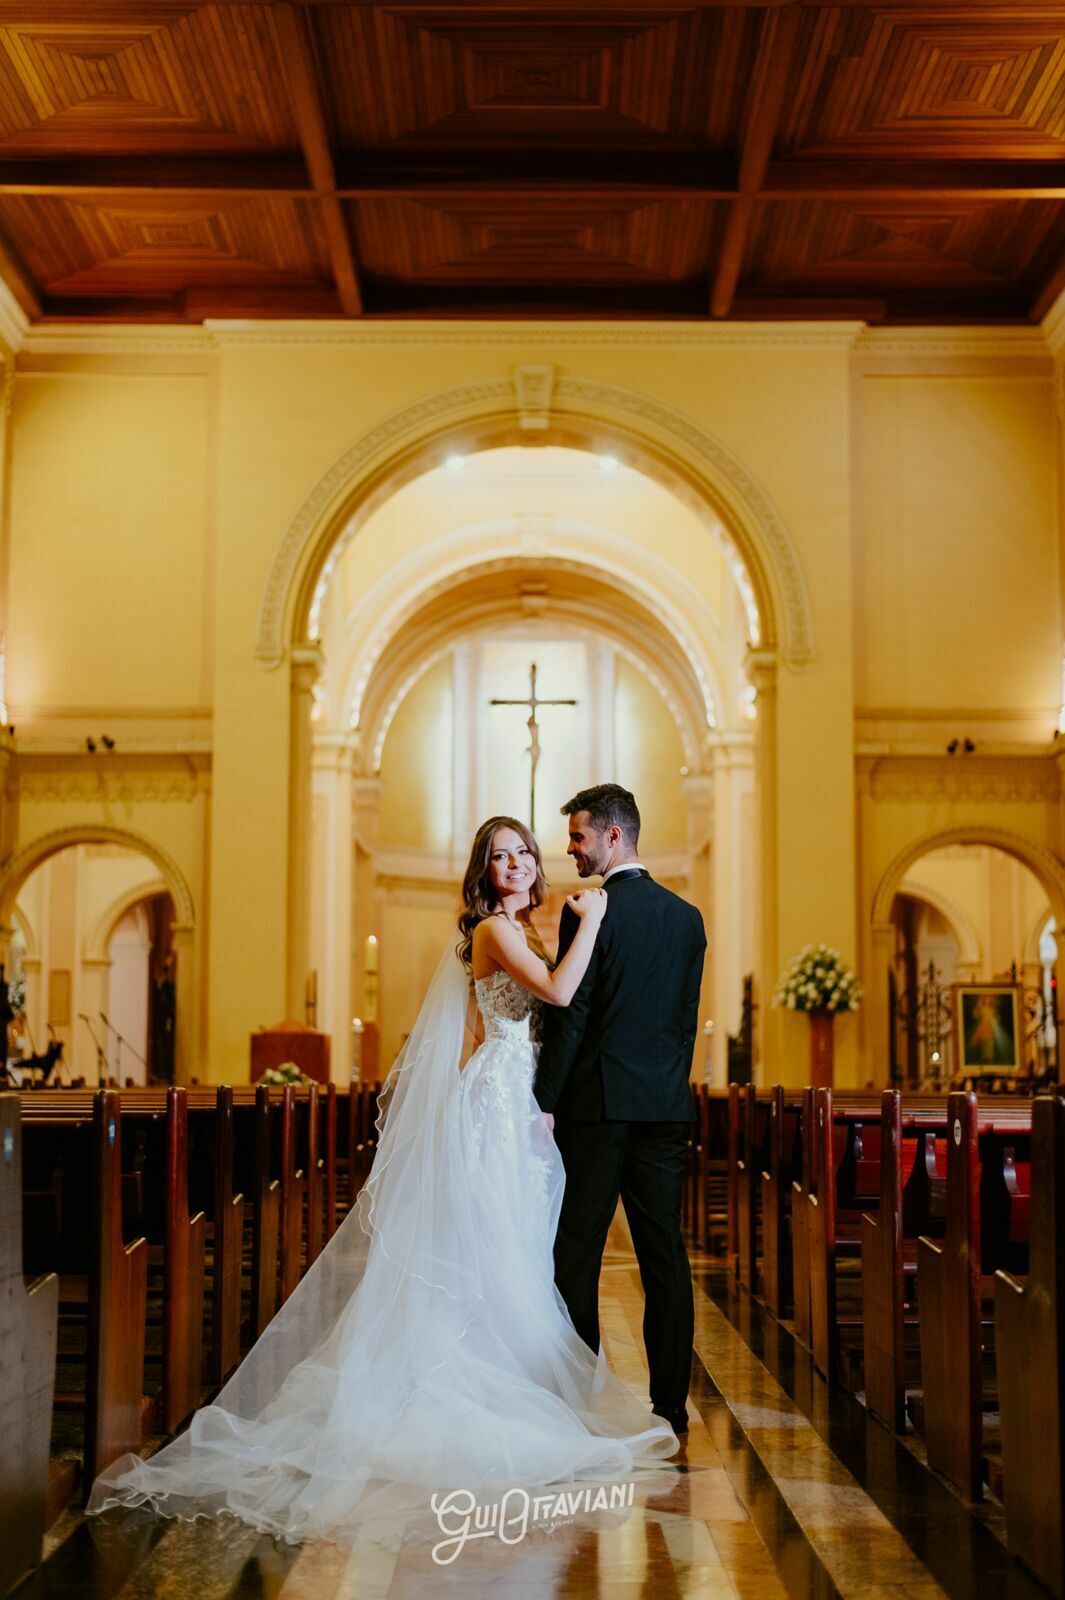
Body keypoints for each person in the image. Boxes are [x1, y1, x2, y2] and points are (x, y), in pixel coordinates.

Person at [87, 815, 677, 1548]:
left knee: (513, 1243)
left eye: (524, 852)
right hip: (492, 1099)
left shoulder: (508, 930)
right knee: (491, 1242)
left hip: (507, 1093)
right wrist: (591, 919)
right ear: (483, 871)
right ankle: (472, 1387)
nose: (517, 864)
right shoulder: (495, 932)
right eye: (501, 856)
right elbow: (557, 995)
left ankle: (517, 1382)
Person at [535, 784, 707, 1436]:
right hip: (664, 1106)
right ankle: (669, 1404)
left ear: (613, 836)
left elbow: (570, 1017)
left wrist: (542, 1101)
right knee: (663, 1253)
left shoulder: (590, 909)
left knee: (574, 1252)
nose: (570, 849)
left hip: (598, 1107)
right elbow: (682, 1022)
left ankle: (578, 1396)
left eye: (578, 836)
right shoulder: (686, 917)